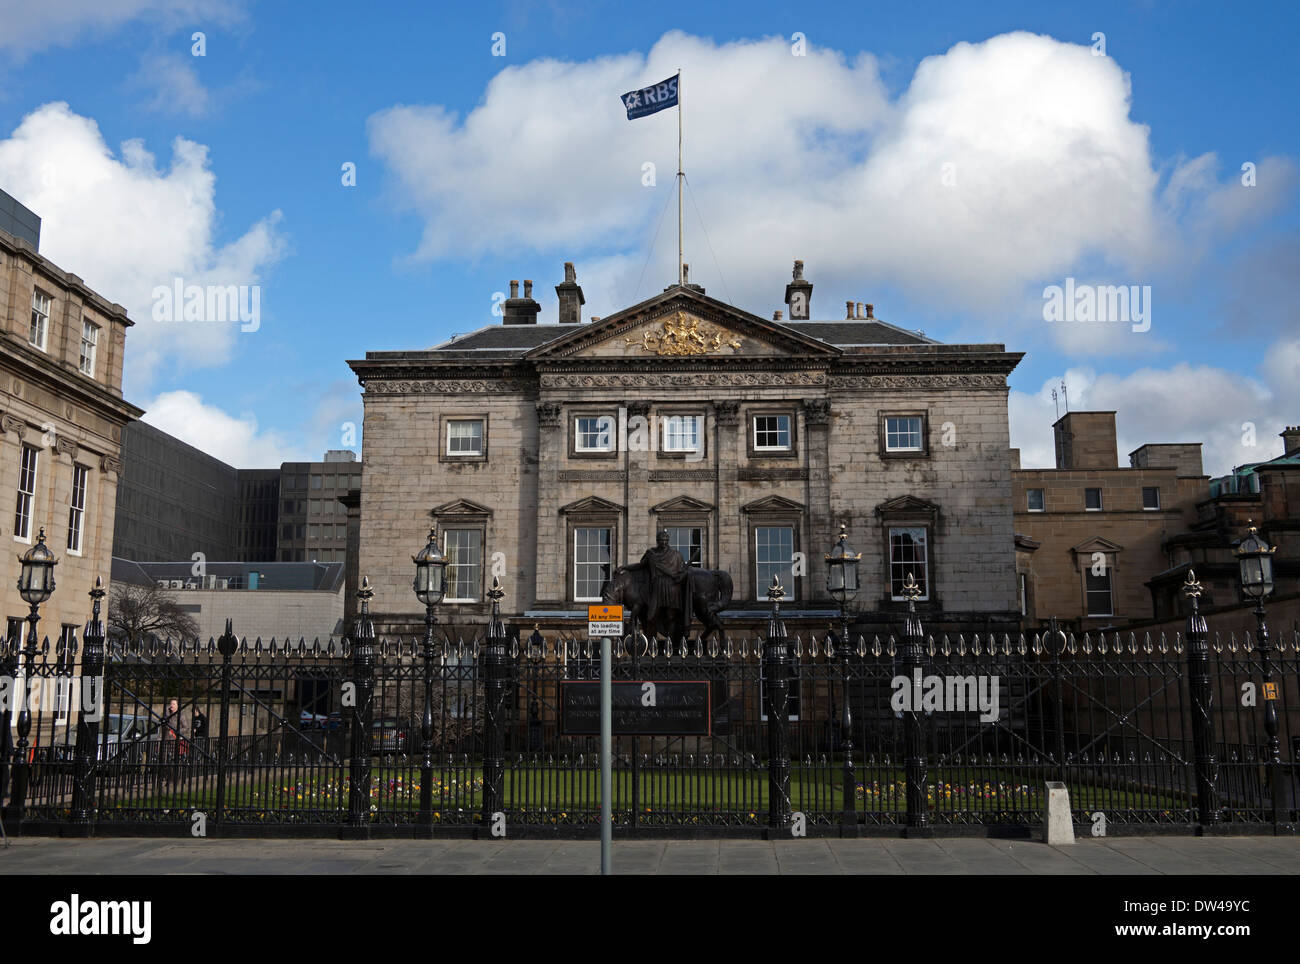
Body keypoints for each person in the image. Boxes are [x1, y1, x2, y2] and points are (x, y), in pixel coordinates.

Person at [639, 529, 689, 626]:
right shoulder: (651, 553)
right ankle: (651, 639)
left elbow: (683, 571)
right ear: (657, 541)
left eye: (666, 540)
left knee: (671, 616)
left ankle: (671, 638)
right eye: (662, 540)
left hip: (672, 586)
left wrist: (680, 578)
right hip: (657, 586)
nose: (664, 542)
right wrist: (625, 568)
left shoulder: (676, 554)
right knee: (651, 616)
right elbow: (641, 565)